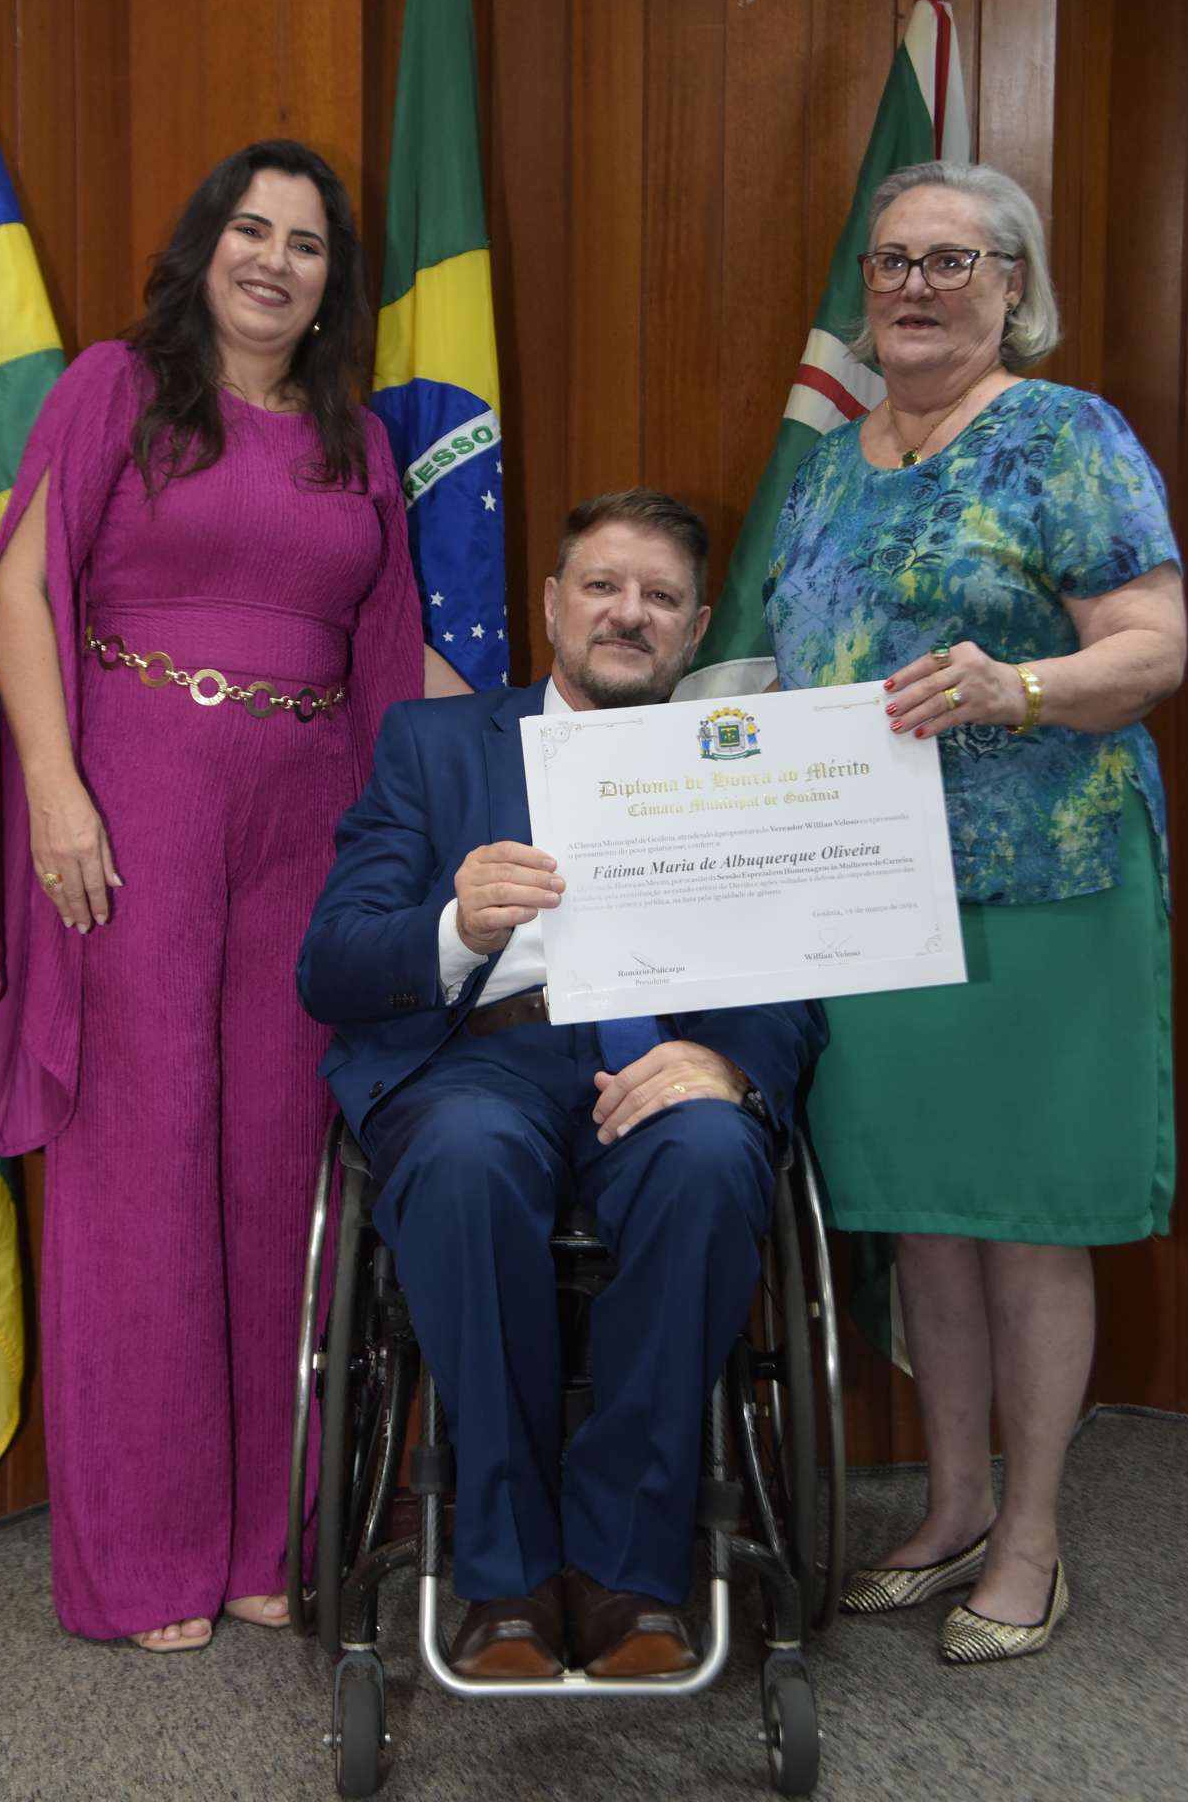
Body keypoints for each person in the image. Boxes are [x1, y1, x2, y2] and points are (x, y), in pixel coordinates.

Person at [0, 139, 465, 1652]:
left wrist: (567, 741)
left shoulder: (355, 439)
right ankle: (142, 1559)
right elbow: (18, 590)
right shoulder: (115, 387)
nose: (274, 260)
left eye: (306, 244)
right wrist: (55, 787)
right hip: (135, 809)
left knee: (279, 1171)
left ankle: (266, 1536)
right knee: (142, 1166)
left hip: (309, 826)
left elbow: (395, 657)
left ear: (331, 283)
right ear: (207, 247)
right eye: (252, 229)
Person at [764, 160, 1185, 1663]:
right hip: (871, 892)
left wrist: (1021, 687)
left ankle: (1031, 1538)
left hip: (1044, 880)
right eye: (891, 261)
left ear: (1013, 285)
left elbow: (1152, 648)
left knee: (1024, 1223)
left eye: (952, 260)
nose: (915, 287)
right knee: (928, 1222)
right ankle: (948, 1511)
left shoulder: (1067, 436)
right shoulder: (830, 463)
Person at [298, 490, 827, 1678]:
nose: (628, 614)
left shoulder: (740, 763)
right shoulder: (432, 745)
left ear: (696, 629)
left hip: (662, 1051)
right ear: (551, 604)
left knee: (710, 1155)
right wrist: (453, 926)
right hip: (478, 1057)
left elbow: (800, 962)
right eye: (602, 586)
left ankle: (626, 1568)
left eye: (660, 597)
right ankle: (506, 1574)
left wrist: (729, 1063)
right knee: (466, 1159)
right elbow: (329, 963)